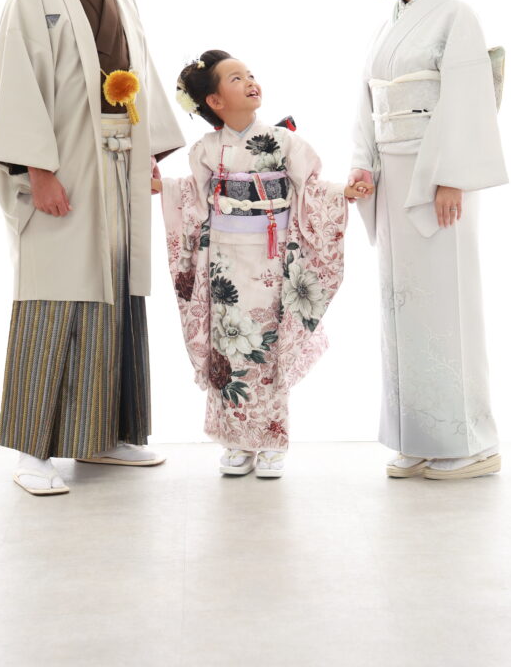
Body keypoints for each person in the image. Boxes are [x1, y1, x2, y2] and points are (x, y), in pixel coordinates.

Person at [0, 0, 185, 495]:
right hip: (66, 164)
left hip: (119, 163)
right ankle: (33, 451)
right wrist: (38, 171)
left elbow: (140, 77)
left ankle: (103, 437)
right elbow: (17, 86)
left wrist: (147, 153)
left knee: (118, 288)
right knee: (56, 294)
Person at [155, 50, 371, 478]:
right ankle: (235, 441)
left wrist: (342, 194)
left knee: (267, 346)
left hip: (272, 261)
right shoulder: (205, 150)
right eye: (236, 78)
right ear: (214, 101)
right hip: (224, 263)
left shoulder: (284, 141)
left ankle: (272, 440)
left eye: (250, 74)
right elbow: (193, 197)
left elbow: (311, 188)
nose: (250, 81)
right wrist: (164, 188)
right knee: (228, 345)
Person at [349, 0, 508, 481]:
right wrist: (363, 163)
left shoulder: (456, 15)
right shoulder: (391, 22)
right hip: (394, 177)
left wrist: (452, 176)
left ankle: (471, 444)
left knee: (449, 302)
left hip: (437, 177)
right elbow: (369, 99)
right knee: (404, 306)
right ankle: (419, 437)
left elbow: (468, 97)